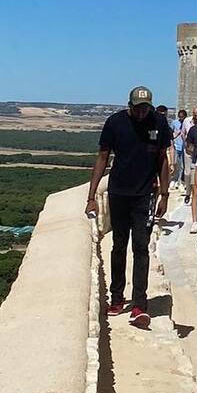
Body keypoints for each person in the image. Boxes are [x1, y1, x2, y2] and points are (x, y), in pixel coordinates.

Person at [85, 86, 172, 329]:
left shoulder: (159, 123)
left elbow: (162, 159)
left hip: (145, 194)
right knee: (119, 246)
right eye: (138, 108)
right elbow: (103, 157)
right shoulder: (115, 123)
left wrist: (164, 194)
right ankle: (117, 297)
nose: (142, 112)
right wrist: (91, 196)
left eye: (146, 108)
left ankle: (139, 304)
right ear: (130, 105)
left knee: (141, 248)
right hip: (119, 192)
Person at [170, 109, 187, 190]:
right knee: (175, 163)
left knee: (182, 166)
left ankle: (180, 181)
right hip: (176, 146)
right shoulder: (174, 123)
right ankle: (174, 179)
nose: (181, 118)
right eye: (179, 117)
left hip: (184, 146)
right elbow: (171, 133)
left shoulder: (186, 123)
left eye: (182, 117)